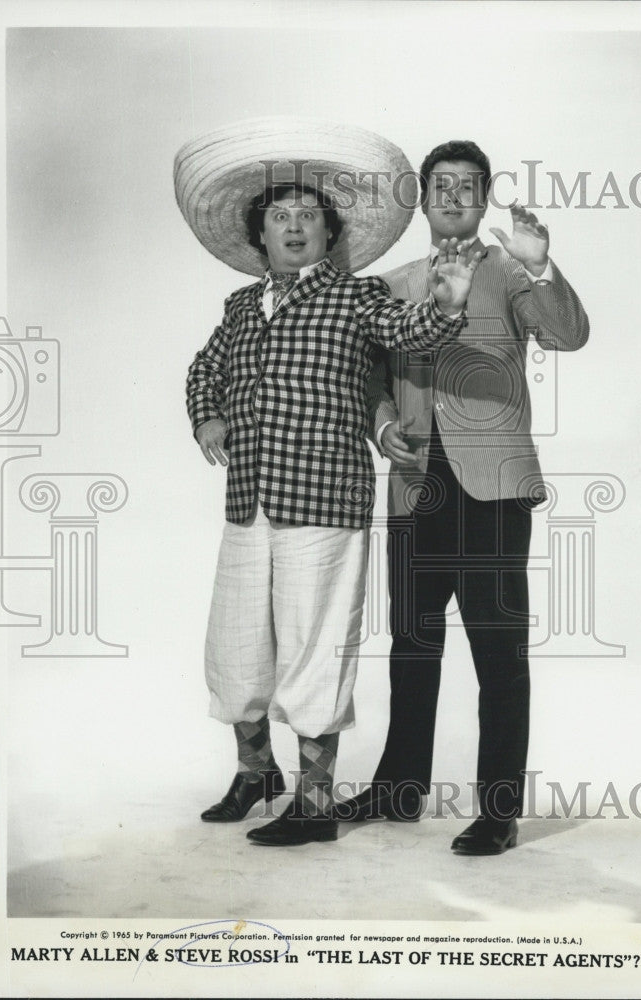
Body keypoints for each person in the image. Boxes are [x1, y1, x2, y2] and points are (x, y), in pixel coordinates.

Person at [176, 119, 481, 847]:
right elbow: (202, 371)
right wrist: (207, 419)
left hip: (324, 501)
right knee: (237, 648)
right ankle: (258, 773)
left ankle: (314, 804)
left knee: (315, 649)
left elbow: (412, 334)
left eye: (307, 217)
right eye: (279, 216)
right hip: (249, 501)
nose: (293, 226)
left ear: (328, 233)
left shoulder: (353, 297)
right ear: (259, 232)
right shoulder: (243, 307)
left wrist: (445, 303)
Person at [335, 139, 589, 855]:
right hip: (416, 485)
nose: (451, 197)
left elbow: (569, 334)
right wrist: (381, 426)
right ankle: (399, 790)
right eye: (439, 186)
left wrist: (541, 264)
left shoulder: (511, 272)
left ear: (484, 198)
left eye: (466, 187)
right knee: (413, 645)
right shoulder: (389, 284)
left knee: (497, 649)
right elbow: (370, 380)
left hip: (494, 486)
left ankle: (499, 810)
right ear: (421, 198)